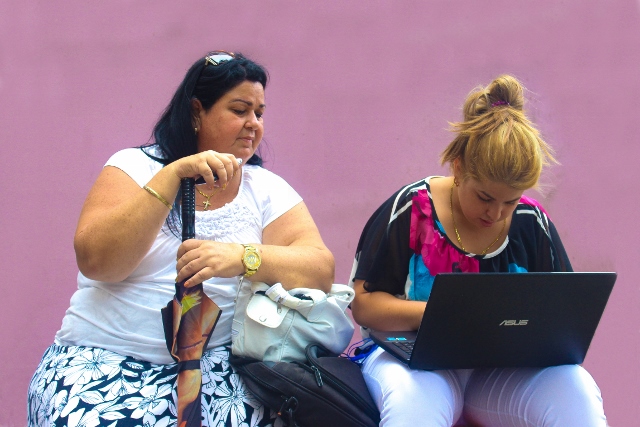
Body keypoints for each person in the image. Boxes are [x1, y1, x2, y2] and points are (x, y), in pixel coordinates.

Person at [27, 51, 334, 426]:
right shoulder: (133, 167)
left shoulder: (265, 188)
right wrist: (172, 177)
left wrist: (244, 257)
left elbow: (319, 267)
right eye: (240, 110)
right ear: (195, 112)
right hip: (104, 361)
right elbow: (98, 262)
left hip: (217, 371)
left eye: (260, 113)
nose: (253, 124)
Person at [349, 75, 607, 426]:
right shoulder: (411, 209)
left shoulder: (533, 223)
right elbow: (364, 305)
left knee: (576, 389)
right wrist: (439, 314)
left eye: (510, 202)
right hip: (414, 363)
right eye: (485, 197)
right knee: (413, 408)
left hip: (501, 373)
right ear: (458, 168)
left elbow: (563, 317)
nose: (496, 213)